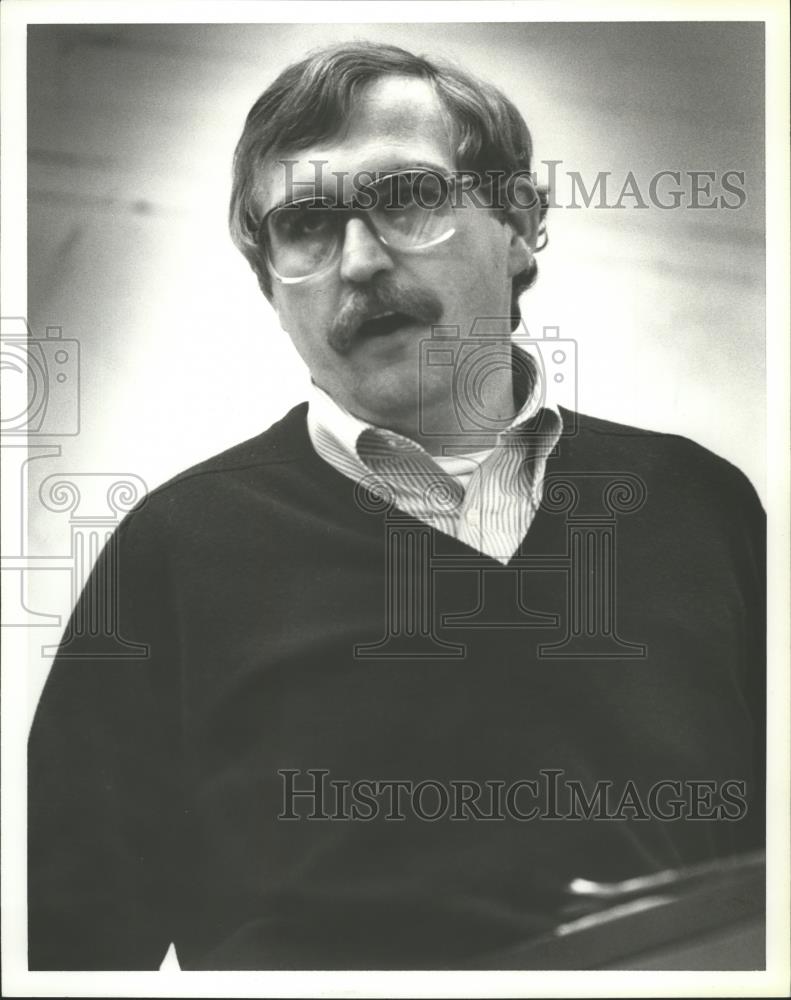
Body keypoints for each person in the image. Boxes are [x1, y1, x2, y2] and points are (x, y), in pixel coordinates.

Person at [28, 42, 765, 971]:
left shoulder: (702, 510)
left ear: (518, 222)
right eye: (306, 223)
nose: (361, 260)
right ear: (270, 286)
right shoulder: (170, 554)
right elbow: (58, 952)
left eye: (409, 198)